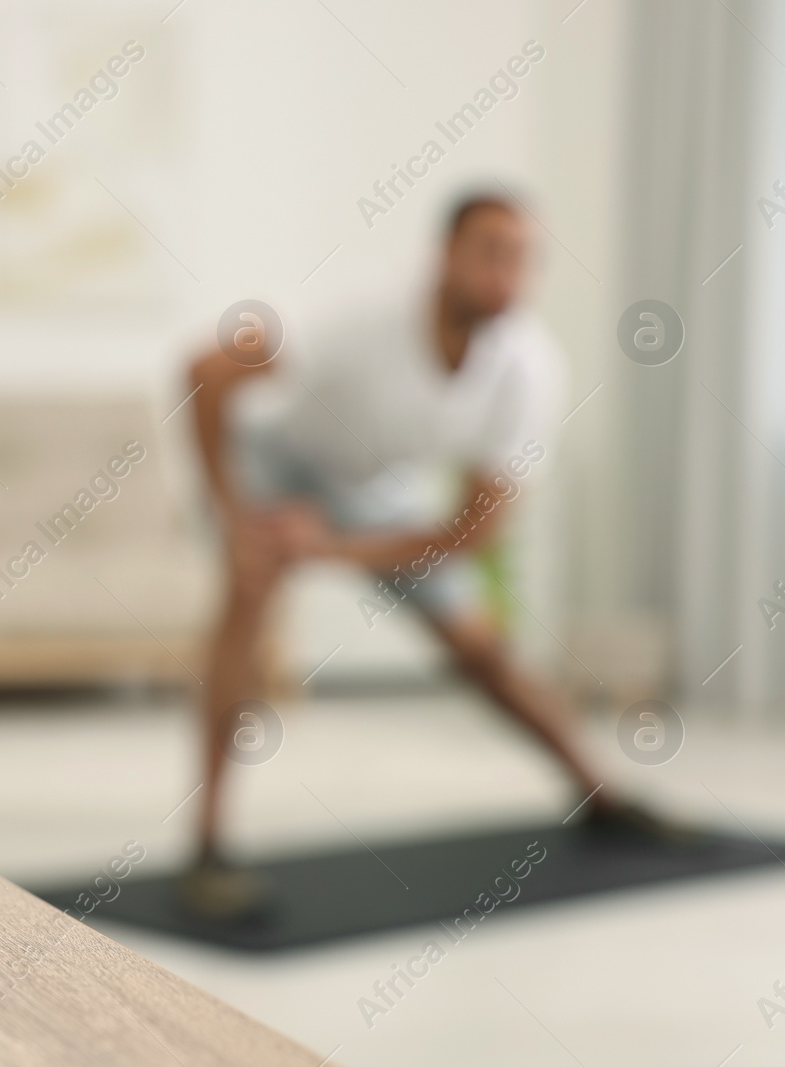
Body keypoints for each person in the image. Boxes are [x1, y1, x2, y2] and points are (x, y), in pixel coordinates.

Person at [183, 192, 648, 919]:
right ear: (446, 257)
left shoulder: (528, 369)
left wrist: (332, 548)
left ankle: (603, 794)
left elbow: (475, 528)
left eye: (522, 258)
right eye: (490, 252)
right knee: (246, 603)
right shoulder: (361, 319)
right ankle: (208, 842)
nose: (506, 275)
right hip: (276, 457)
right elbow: (206, 371)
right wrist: (236, 516)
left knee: (481, 648)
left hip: (370, 487)